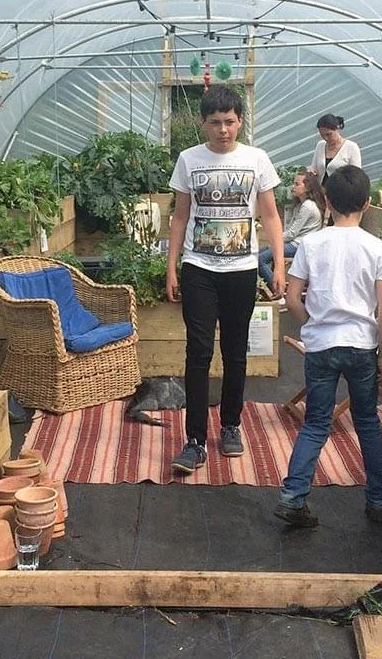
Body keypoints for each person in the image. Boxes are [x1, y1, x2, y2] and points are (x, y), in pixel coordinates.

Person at [166, 86, 284, 474]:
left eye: (230, 122)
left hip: (241, 270)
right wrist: (172, 266)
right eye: (215, 123)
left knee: (235, 353)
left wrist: (279, 265)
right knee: (198, 353)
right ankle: (195, 440)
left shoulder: (256, 159)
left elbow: (269, 216)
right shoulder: (188, 160)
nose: (223, 130)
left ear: (241, 122)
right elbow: (180, 217)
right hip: (199, 269)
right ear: (203, 123)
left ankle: (231, 425)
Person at [274, 165, 382, 527]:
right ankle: (378, 503)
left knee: (315, 423)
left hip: (322, 347)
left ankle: (293, 498)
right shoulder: (377, 248)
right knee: (368, 423)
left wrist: (311, 324)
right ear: (368, 204)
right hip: (361, 347)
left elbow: (291, 297)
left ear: (327, 200)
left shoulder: (312, 243)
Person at [258, 171, 325, 299]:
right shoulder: (301, 205)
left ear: (307, 187)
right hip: (295, 243)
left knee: (260, 259)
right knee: (261, 252)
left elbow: (292, 233)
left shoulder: (308, 207)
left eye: (297, 184)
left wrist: (275, 240)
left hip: (299, 246)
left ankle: (278, 290)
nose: (293, 187)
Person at [307, 113, 361, 184]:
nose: (326, 138)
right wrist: (311, 171)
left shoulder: (351, 147)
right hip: (320, 191)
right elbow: (314, 167)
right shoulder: (320, 145)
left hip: (341, 191)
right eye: (322, 135)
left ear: (337, 129)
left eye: (328, 134)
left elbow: (356, 175)